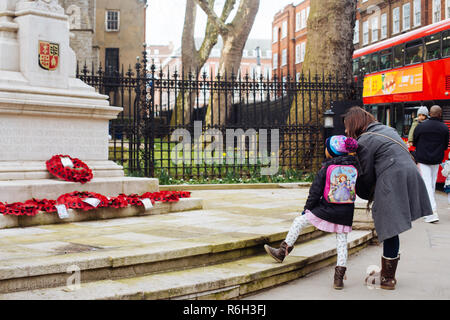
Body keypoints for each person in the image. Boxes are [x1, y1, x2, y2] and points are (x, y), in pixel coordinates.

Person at [344, 106, 432, 290]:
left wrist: (358, 188)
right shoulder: (386, 129)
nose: (346, 131)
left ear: (354, 124)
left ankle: (387, 278)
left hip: (393, 178)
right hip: (409, 174)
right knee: (393, 226)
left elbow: (366, 174)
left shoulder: (365, 140)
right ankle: (387, 274)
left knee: (390, 228)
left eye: (347, 126)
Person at [264, 135, 359, 290]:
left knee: (299, 221)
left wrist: (307, 209)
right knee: (342, 242)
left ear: (331, 152)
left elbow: (315, 192)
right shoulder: (354, 168)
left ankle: (283, 251)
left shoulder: (326, 168)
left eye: (326, 147)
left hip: (327, 209)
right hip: (346, 212)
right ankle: (339, 279)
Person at [413, 105, 449, 223]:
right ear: (440, 114)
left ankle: (431, 212)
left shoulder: (421, 127)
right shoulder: (444, 128)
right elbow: (445, 146)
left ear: (429, 113)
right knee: (432, 185)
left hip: (423, 159)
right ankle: (429, 211)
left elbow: (415, 141)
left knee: (427, 185)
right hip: (436, 160)